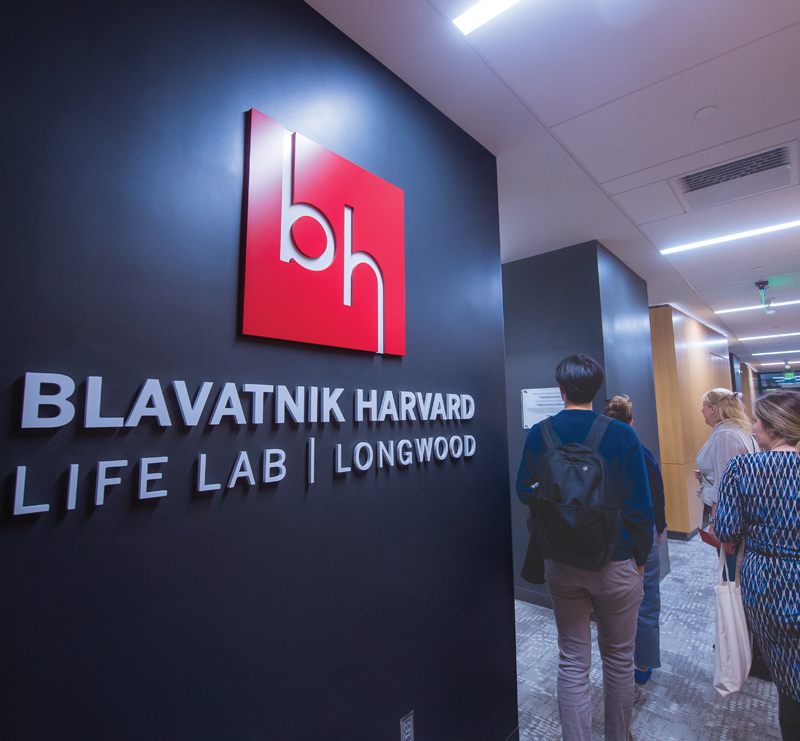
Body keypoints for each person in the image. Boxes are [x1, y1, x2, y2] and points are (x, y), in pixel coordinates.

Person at [517, 355, 653, 741]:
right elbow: (640, 507)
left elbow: (523, 489)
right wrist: (640, 561)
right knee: (618, 661)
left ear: (560, 389)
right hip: (617, 561)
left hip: (561, 562)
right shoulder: (622, 435)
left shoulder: (540, 432)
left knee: (573, 661)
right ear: (597, 390)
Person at [715, 390, 800, 741]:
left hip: (767, 581)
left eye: (757, 421)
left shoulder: (744, 468)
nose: (752, 426)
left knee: (786, 670)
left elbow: (726, 530)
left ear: (771, 427)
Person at [603, 395, 667, 686]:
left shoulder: (597, 453)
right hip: (641, 536)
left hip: (608, 540)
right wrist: (660, 529)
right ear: (632, 421)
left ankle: (619, 657)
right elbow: (655, 499)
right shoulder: (642, 454)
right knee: (647, 600)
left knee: (614, 603)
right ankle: (641, 664)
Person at [695, 388, 756, 529]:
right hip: (738, 508)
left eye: (704, 406)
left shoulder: (725, 435)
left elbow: (724, 483)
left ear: (713, 409)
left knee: (728, 550)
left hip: (728, 512)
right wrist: (706, 475)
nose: (701, 410)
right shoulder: (736, 429)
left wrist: (716, 521)